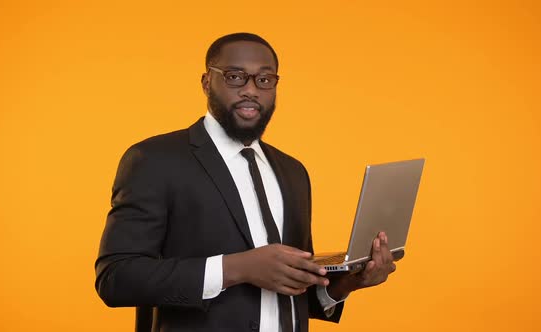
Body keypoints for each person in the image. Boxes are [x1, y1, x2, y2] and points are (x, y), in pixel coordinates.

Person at [95, 32, 397, 332]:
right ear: (205, 82)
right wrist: (237, 268)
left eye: (264, 80)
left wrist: (344, 284)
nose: (251, 90)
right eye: (235, 77)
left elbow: (292, 293)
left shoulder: (293, 171)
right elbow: (116, 278)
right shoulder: (155, 160)